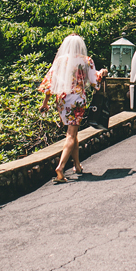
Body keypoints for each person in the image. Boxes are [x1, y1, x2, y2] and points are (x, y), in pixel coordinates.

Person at [39, 34, 108, 184]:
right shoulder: (86, 61)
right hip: (77, 100)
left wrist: (45, 103)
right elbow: (94, 81)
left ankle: (77, 165)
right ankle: (60, 167)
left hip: (62, 99)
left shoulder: (60, 61)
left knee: (73, 133)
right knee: (71, 134)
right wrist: (102, 73)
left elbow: (50, 82)